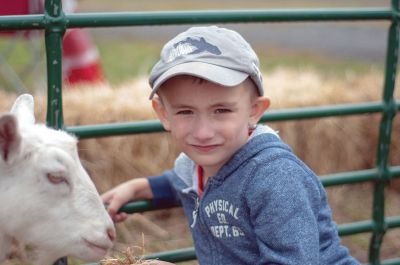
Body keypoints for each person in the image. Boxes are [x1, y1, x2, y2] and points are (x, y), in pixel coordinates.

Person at [101, 25, 360, 265]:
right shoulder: (198, 164)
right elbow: (185, 183)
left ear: (254, 110)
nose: (203, 133)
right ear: (163, 113)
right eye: (185, 112)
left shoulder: (275, 180)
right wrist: (138, 188)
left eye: (221, 110)